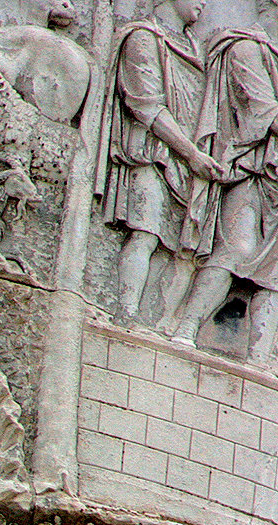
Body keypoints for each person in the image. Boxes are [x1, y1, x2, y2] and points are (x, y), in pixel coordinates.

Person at [99, 0, 223, 324]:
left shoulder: (195, 49)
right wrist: (192, 154)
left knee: (171, 246)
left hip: (187, 164)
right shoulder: (143, 37)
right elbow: (146, 105)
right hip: (150, 154)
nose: (204, 2)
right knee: (145, 233)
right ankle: (126, 313)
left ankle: (149, 322)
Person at [165, 15, 278, 359]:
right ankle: (186, 326)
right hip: (251, 169)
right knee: (236, 249)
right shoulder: (246, 47)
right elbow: (262, 111)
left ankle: (259, 360)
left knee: (276, 273)